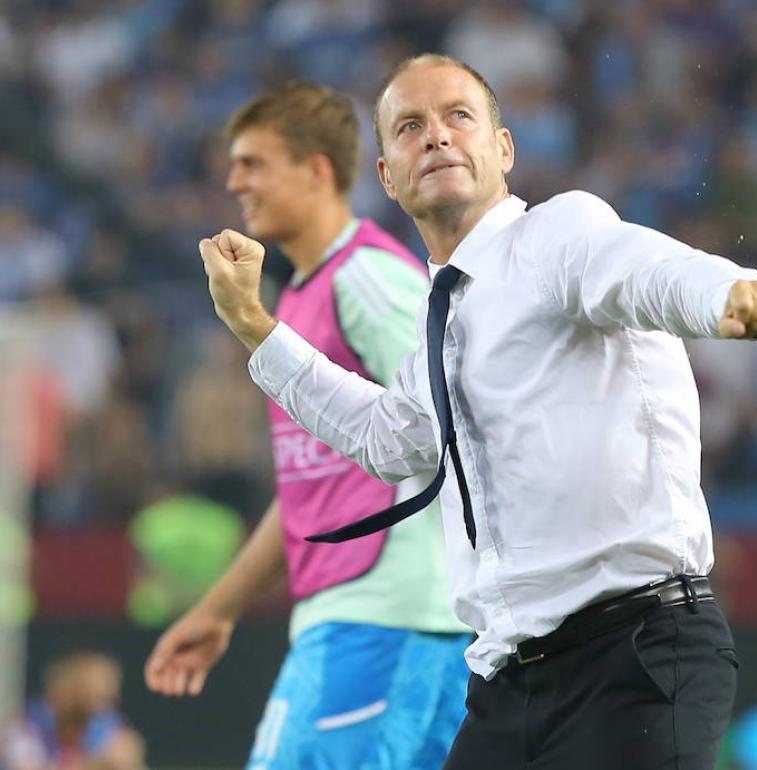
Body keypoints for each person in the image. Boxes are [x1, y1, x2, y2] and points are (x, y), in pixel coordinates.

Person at [196, 53, 757, 770]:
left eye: (459, 116)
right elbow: (391, 440)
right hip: (505, 682)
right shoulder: (441, 315)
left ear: (503, 148)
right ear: (387, 175)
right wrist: (257, 331)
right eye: (411, 126)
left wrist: (728, 292)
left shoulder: (558, 235)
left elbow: (645, 269)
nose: (437, 136)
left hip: (634, 654)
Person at [143, 81, 471, 770]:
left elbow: (456, 426)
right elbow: (307, 494)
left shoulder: (372, 280)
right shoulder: (302, 296)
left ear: (317, 170)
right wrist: (220, 609)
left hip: (393, 615)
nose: (234, 182)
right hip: (359, 616)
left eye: (253, 163)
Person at [1, 651, 146, 770]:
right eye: (94, 694)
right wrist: (95, 765)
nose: (105, 705)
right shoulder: (28, 726)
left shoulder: (104, 725)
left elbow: (126, 756)